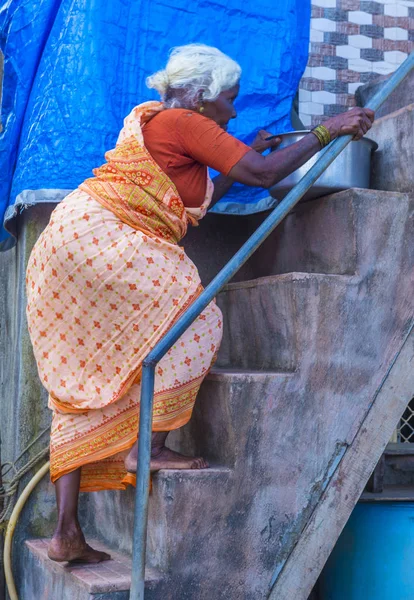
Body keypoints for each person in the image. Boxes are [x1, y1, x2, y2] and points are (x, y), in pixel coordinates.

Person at [26, 43, 374, 564]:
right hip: (106, 238)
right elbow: (263, 174)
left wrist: (242, 152)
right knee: (198, 320)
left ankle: (66, 532)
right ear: (204, 97)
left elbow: (201, 200)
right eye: (230, 100)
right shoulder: (188, 122)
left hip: (71, 240)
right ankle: (150, 447)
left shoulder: (161, 125)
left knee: (85, 380)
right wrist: (331, 129)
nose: (234, 111)